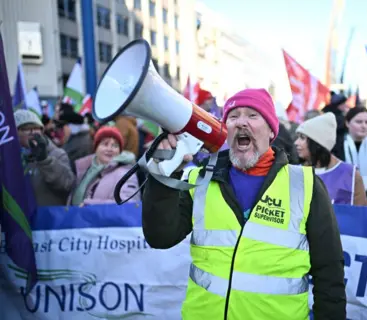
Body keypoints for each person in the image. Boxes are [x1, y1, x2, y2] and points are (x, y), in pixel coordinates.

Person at [142, 88, 346, 319]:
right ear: (224, 130)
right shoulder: (198, 180)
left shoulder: (305, 185)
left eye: (252, 115)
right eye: (233, 116)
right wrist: (163, 175)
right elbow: (160, 237)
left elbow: (329, 272)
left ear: (271, 130)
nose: (241, 123)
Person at [295, 112, 367, 205]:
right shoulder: (295, 172)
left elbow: (361, 213)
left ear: (317, 143)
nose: (296, 142)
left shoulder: (351, 174)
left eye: (302, 138)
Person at [14, 109, 75, 206]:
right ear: (14, 133)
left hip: (46, 217)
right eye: (25, 128)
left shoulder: (56, 154)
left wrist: (45, 160)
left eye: (36, 128)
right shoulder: (9, 159)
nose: (32, 132)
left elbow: (67, 185)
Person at [69, 126, 140, 205]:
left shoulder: (126, 174)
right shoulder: (83, 168)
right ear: (96, 148)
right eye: (105, 144)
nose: (110, 149)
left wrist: (89, 205)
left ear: (120, 151)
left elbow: (128, 204)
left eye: (115, 145)